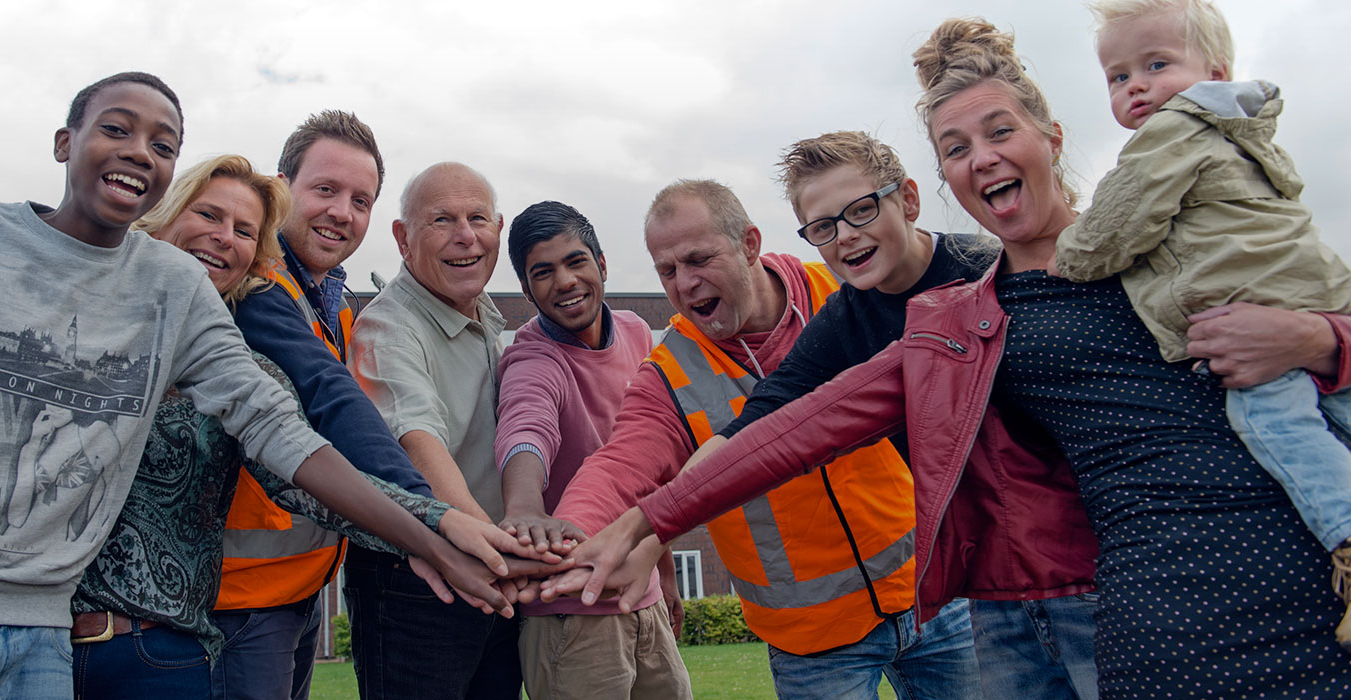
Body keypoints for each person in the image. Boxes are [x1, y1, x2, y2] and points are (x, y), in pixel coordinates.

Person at [564, 18, 1351, 699]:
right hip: (1108, 609)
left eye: (1001, 132)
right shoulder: (955, 320)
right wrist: (647, 521)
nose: (982, 159)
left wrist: (1320, 342)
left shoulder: (1150, 243)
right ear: (941, 174)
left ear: (1051, 137)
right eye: (957, 147)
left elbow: (1302, 289)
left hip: (1261, 573)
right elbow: (793, 426)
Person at [0, 73, 515, 700]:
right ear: (66, 142)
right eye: (116, 129)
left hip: (52, 636)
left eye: (162, 143)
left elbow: (288, 433)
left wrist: (434, 531)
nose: (138, 152)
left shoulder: (181, 298)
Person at [69, 155, 547, 699]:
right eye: (208, 215)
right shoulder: (86, 312)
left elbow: (296, 461)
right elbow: (354, 408)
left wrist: (430, 529)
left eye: (244, 230)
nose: (224, 238)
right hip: (115, 621)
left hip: (194, 634)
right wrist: (439, 525)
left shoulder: (253, 344)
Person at [549, 179, 980, 699]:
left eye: (698, 259)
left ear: (749, 243)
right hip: (810, 642)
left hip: (934, 595)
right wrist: (567, 534)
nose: (685, 284)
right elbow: (620, 463)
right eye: (667, 271)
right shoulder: (667, 373)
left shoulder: (845, 295)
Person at [1049, 0, 1351, 645]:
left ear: (1214, 70)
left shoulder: (1172, 132)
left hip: (1254, 308)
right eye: (1118, 76)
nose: (1136, 86)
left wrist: (1066, 260)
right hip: (1315, 295)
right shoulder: (1241, 132)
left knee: (1275, 423)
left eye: (1156, 65)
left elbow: (1114, 226)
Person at [211, 110, 423, 700]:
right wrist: (432, 520)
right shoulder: (252, 283)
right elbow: (332, 399)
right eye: (325, 190)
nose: (342, 212)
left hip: (300, 591)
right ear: (281, 188)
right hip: (237, 600)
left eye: (361, 200)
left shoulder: (337, 304)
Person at [495, 201, 692, 699]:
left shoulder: (637, 333)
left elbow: (657, 466)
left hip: (640, 595)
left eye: (575, 262)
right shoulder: (532, 357)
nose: (564, 281)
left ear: (601, 264)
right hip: (570, 615)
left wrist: (662, 570)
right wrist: (523, 506)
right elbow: (525, 426)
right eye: (543, 272)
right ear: (526, 289)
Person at [346, 162, 523, 699]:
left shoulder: (488, 319)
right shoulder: (388, 327)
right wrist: (506, 559)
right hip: (419, 586)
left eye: (477, 219)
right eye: (442, 220)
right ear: (402, 238)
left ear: (498, 227)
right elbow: (416, 445)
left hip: (492, 569)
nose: (466, 236)